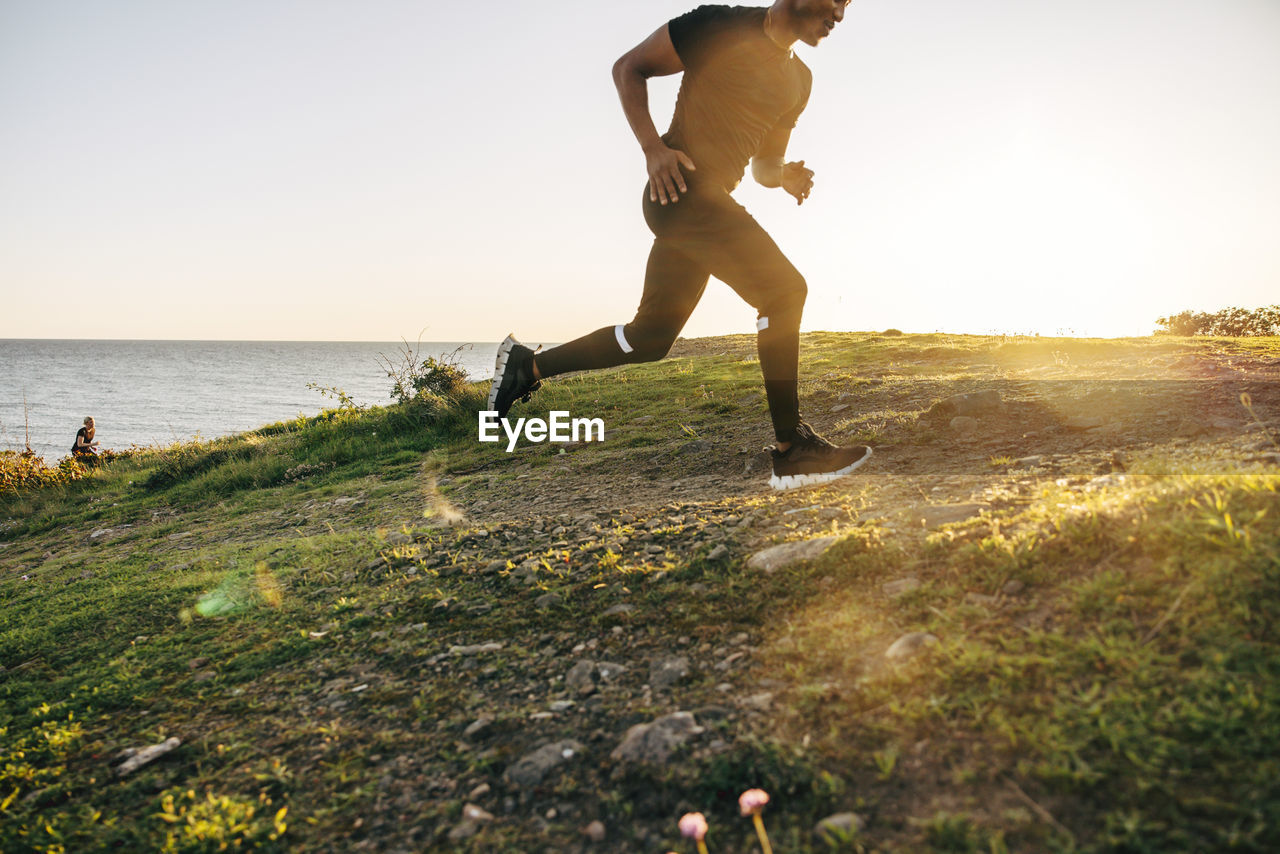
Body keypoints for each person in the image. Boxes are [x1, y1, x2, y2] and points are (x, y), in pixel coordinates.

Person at [488, 0, 871, 490]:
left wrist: (787, 176)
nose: (839, 12)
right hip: (681, 191)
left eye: (847, 6)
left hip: (707, 205)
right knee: (782, 291)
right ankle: (791, 448)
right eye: (835, 0)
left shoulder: (800, 83)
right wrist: (653, 149)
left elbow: (762, 167)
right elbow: (629, 67)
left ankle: (529, 366)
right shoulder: (719, 26)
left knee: (648, 338)